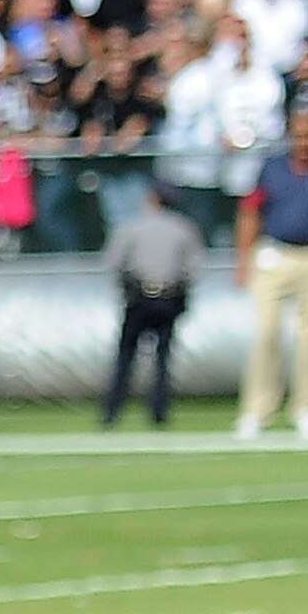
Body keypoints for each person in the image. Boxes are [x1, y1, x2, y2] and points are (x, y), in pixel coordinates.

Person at [234, 97, 308, 439]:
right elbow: (249, 212)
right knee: (266, 333)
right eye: (300, 136)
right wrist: (242, 260)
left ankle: (307, 408)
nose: (305, 143)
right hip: (274, 254)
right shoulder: (271, 168)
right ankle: (257, 410)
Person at [104, 180, 202, 428]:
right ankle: (158, 413)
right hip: (169, 297)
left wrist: (126, 288)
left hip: (138, 297)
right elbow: (192, 269)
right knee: (162, 359)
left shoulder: (131, 226)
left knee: (126, 356)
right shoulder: (184, 228)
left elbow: (115, 262)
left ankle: (111, 412)